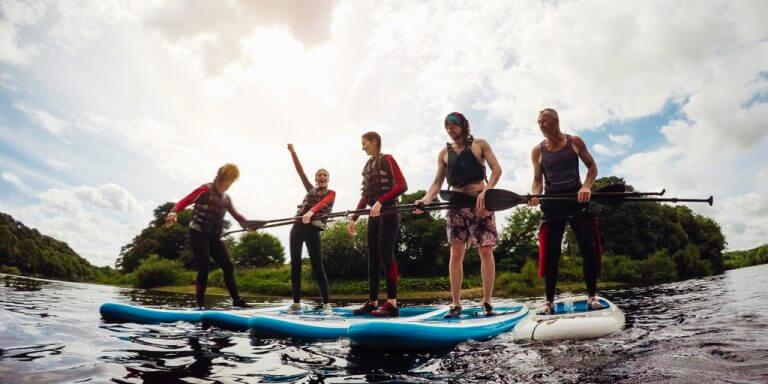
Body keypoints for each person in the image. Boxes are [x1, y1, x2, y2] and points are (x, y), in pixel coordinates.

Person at [415, 112, 502, 318]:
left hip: (480, 202)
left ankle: (488, 302)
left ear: (463, 126)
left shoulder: (480, 144)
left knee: (486, 251)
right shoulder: (444, 153)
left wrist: (487, 190)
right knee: (455, 254)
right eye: (446, 126)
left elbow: (496, 170)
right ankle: (455, 304)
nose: (450, 129)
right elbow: (436, 184)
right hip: (455, 204)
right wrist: (425, 200)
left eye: (453, 125)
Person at [528, 108, 603, 313]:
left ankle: (592, 297)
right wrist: (535, 195)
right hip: (552, 205)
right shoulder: (537, 151)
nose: (541, 125)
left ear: (555, 121)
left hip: (577, 201)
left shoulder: (575, 142)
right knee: (551, 254)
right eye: (538, 122)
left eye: (544, 121)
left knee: (587, 248)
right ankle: (549, 301)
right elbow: (537, 181)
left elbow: (592, 167)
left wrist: (586, 186)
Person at [165, 163, 252, 309]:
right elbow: (184, 201)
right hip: (198, 234)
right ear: (218, 178)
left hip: (215, 237)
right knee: (204, 266)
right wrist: (173, 211)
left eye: (230, 183)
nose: (227, 186)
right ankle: (200, 304)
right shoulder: (204, 189)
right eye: (226, 182)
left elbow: (237, 216)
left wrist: (248, 224)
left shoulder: (226, 199)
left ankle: (237, 301)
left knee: (228, 266)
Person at [348, 131, 407, 317]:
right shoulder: (367, 165)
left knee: (384, 253)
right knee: (372, 257)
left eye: (364, 143)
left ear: (374, 141)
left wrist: (381, 201)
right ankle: (372, 302)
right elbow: (366, 195)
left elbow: (402, 185)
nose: (362, 147)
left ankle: (392, 304)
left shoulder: (388, 159)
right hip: (374, 214)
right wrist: (354, 218)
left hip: (389, 210)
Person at [286, 143, 335, 315]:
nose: (322, 177)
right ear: (316, 178)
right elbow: (300, 171)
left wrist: (311, 211)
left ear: (328, 179)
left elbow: (323, 203)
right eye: (319, 175)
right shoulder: (310, 188)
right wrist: (293, 152)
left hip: (312, 229)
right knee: (296, 266)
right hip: (297, 227)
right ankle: (296, 303)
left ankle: (327, 304)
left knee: (317, 266)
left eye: (324, 175)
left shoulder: (331, 193)